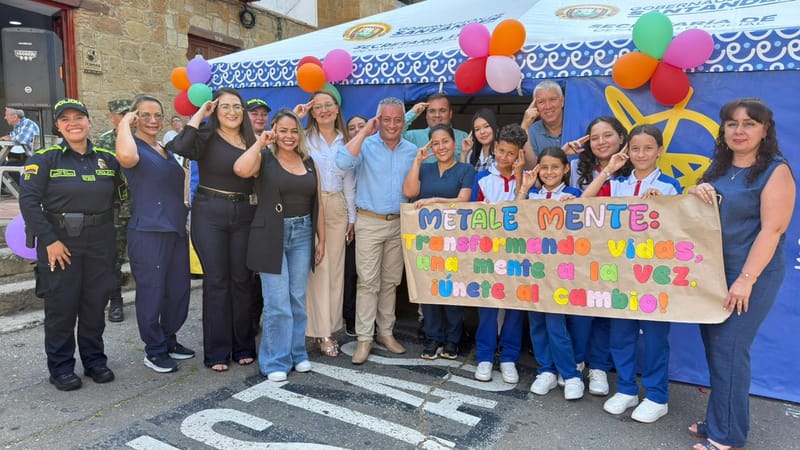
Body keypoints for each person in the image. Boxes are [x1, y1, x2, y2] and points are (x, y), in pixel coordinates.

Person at [687, 98, 794, 450]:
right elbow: (694, 215)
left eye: (749, 123)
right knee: (717, 350)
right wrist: (695, 191)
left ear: (765, 130)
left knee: (730, 350)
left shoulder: (775, 170)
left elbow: (772, 231)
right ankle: (720, 420)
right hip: (713, 273)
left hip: (751, 274)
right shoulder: (717, 169)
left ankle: (727, 436)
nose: (739, 130)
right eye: (731, 123)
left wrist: (745, 280)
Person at [19, 98, 122, 391]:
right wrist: (49, 240)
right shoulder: (45, 158)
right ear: (58, 126)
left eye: (79, 117)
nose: (74, 123)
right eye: (66, 119)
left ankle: (94, 360)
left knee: (94, 303)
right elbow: (28, 202)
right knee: (61, 307)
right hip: (60, 241)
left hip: (100, 239)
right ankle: (61, 367)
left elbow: (123, 196)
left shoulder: (107, 158)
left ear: (89, 122)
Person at [581, 124, 681, 422]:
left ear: (660, 151)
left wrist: (662, 205)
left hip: (653, 277)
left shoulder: (669, 187)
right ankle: (626, 388)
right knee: (621, 335)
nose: (641, 154)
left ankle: (657, 395)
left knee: (653, 338)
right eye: (635, 149)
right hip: (620, 274)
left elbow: (678, 230)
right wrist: (609, 170)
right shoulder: (619, 184)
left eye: (648, 148)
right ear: (627, 151)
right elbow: (584, 204)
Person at [166, 87, 258, 372]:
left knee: (242, 280)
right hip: (210, 213)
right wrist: (198, 115)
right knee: (217, 281)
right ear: (215, 110)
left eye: (237, 107)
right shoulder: (205, 134)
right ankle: (217, 351)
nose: (232, 112)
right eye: (225, 106)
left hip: (245, 212)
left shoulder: (251, 138)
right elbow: (179, 148)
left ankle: (243, 346)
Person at [234, 109, 324, 381]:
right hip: (270, 234)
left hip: (303, 233)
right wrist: (261, 142)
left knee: (297, 299)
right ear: (274, 131)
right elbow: (240, 168)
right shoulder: (264, 158)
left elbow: (318, 202)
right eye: (283, 130)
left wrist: (321, 239)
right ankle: (274, 361)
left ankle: (297, 354)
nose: (288, 136)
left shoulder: (308, 161)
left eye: (294, 130)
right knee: (277, 302)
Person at [115, 94, 194, 373]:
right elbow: (125, 157)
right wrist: (125, 122)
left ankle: (169, 338)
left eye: (157, 115)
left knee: (178, 290)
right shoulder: (131, 145)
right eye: (145, 115)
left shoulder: (163, 148)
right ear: (135, 117)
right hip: (148, 230)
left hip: (174, 228)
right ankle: (155, 349)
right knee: (152, 292)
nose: (152, 120)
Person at [335, 97, 417, 365]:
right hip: (369, 222)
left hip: (399, 223)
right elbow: (342, 163)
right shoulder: (366, 145)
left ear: (404, 122)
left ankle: (385, 333)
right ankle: (364, 339)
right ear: (378, 120)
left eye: (397, 119)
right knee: (368, 283)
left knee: (391, 282)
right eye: (386, 119)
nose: (392, 125)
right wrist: (364, 131)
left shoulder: (411, 150)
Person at [563, 115, 633, 398]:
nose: (601, 142)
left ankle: (600, 367)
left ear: (621, 139)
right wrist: (565, 155)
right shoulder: (577, 167)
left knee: (606, 310)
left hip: (618, 253)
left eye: (607, 136)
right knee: (580, 309)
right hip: (582, 251)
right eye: (594, 138)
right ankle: (577, 361)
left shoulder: (633, 169)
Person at [514, 146, 585, 399]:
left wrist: (574, 204)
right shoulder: (531, 195)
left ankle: (570, 374)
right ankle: (546, 370)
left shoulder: (574, 194)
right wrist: (524, 186)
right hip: (533, 269)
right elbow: (513, 218)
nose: (549, 172)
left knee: (557, 324)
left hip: (560, 273)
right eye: (544, 167)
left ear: (566, 169)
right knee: (537, 324)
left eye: (555, 167)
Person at [402, 124, 474, 360]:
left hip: (455, 241)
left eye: (445, 141)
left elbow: (463, 201)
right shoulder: (426, 168)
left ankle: (453, 339)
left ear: (454, 143)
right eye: (435, 143)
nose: (441, 147)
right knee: (428, 289)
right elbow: (410, 192)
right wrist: (417, 161)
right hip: (427, 241)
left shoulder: (465, 169)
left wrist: (434, 200)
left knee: (452, 289)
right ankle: (433, 337)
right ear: (430, 146)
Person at [299, 90, 355, 357]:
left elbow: (350, 182)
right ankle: (317, 331)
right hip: (309, 204)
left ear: (336, 107)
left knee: (335, 272)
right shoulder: (304, 138)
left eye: (328, 105)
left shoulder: (347, 139)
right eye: (317, 106)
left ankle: (329, 328)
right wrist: (297, 118)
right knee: (316, 271)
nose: (323, 110)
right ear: (311, 110)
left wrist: (352, 218)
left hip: (338, 206)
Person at [470, 124, 527, 383]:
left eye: (511, 154)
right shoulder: (482, 179)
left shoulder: (527, 179)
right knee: (488, 308)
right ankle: (484, 356)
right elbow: (471, 215)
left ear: (520, 155)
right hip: (488, 254)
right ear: (495, 148)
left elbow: (524, 214)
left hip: (517, 255)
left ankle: (508, 358)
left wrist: (520, 178)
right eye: (502, 151)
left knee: (514, 306)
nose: (505, 158)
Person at [97, 98, 132, 323]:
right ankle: (116, 301)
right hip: (117, 208)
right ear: (112, 116)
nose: (127, 116)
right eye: (122, 113)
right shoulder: (104, 142)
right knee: (114, 258)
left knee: (144, 256)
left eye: (130, 112)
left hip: (142, 207)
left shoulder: (143, 139)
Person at [342, 115, 367, 336]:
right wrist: (351, 219)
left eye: (362, 126)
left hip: (371, 219)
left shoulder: (376, 151)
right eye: (352, 127)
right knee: (350, 271)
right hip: (349, 219)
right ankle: (350, 318)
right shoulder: (345, 155)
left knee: (368, 276)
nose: (357, 130)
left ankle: (369, 320)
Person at [403, 93, 469, 162]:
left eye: (442, 110)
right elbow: (392, 136)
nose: (437, 115)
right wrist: (412, 114)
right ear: (426, 115)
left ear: (450, 114)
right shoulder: (413, 136)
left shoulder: (463, 137)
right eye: (432, 111)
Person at [1, 107, 40, 193]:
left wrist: (10, 138)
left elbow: (21, 138)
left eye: (6, 115)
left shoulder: (28, 123)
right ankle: (26, 191)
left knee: (8, 166)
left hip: (36, 159)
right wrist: (8, 138)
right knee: (6, 165)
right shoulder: (18, 126)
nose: (5, 117)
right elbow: (10, 137)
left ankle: (28, 191)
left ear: (15, 117)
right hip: (31, 157)